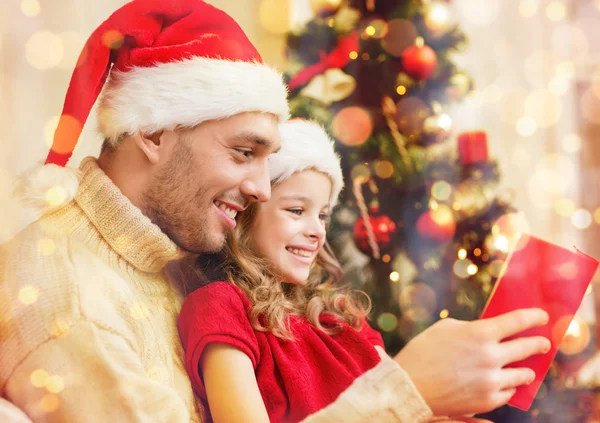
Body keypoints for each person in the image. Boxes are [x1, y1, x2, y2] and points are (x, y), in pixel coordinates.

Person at [0, 0, 550, 422]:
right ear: (152, 132)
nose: (263, 188)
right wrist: (404, 393)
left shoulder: (176, 258)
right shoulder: (68, 302)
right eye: (244, 152)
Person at [178, 120, 551, 423]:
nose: (317, 230)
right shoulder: (220, 306)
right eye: (296, 210)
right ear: (245, 215)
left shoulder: (340, 321)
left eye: (322, 215)